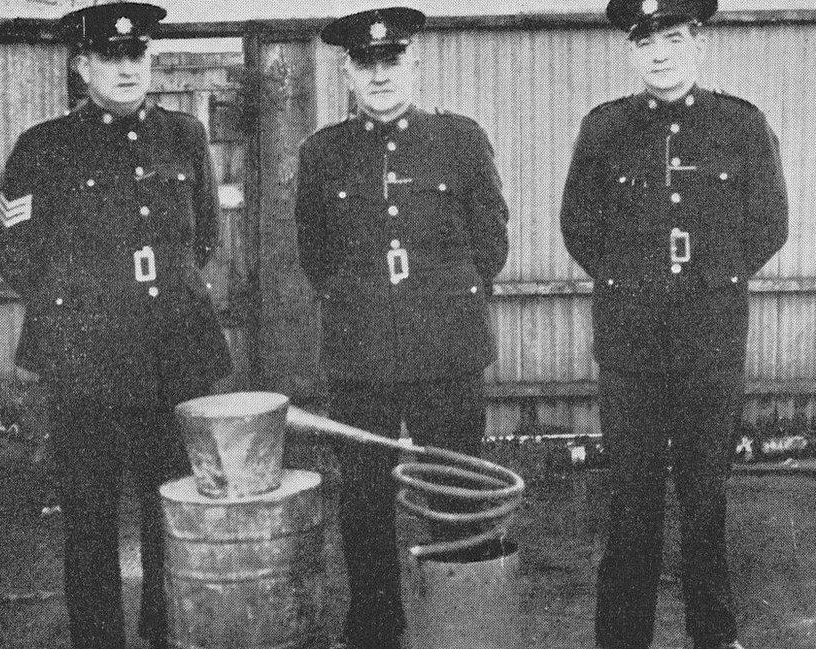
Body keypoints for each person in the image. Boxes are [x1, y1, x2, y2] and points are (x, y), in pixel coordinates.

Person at [0, 3, 231, 648]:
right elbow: (12, 253)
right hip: (84, 367)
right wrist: (79, 311)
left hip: (171, 359)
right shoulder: (44, 147)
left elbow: (201, 237)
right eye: (109, 57)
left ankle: (160, 636)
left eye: (136, 55)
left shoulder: (184, 136)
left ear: (149, 58)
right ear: (82, 65)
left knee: (166, 513)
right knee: (89, 522)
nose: (126, 68)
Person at [560, 1, 788, 648]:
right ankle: (622, 638)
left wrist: (709, 280)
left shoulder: (741, 127)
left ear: (698, 41)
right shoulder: (604, 130)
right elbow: (579, 226)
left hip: (711, 343)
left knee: (704, 501)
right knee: (632, 504)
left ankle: (715, 637)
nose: (658, 54)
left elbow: (769, 223)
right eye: (644, 40)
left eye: (671, 37)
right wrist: (636, 283)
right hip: (630, 347)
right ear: (631, 51)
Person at [294, 7, 509, 649]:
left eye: (393, 60)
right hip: (362, 359)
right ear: (349, 71)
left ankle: (463, 629)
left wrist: (439, 302)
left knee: (458, 496)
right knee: (365, 505)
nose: (381, 74)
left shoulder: (461, 139)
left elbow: (490, 243)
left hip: (447, 352)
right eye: (367, 63)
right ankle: (376, 631)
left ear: (414, 61)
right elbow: (316, 256)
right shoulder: (322, 153)